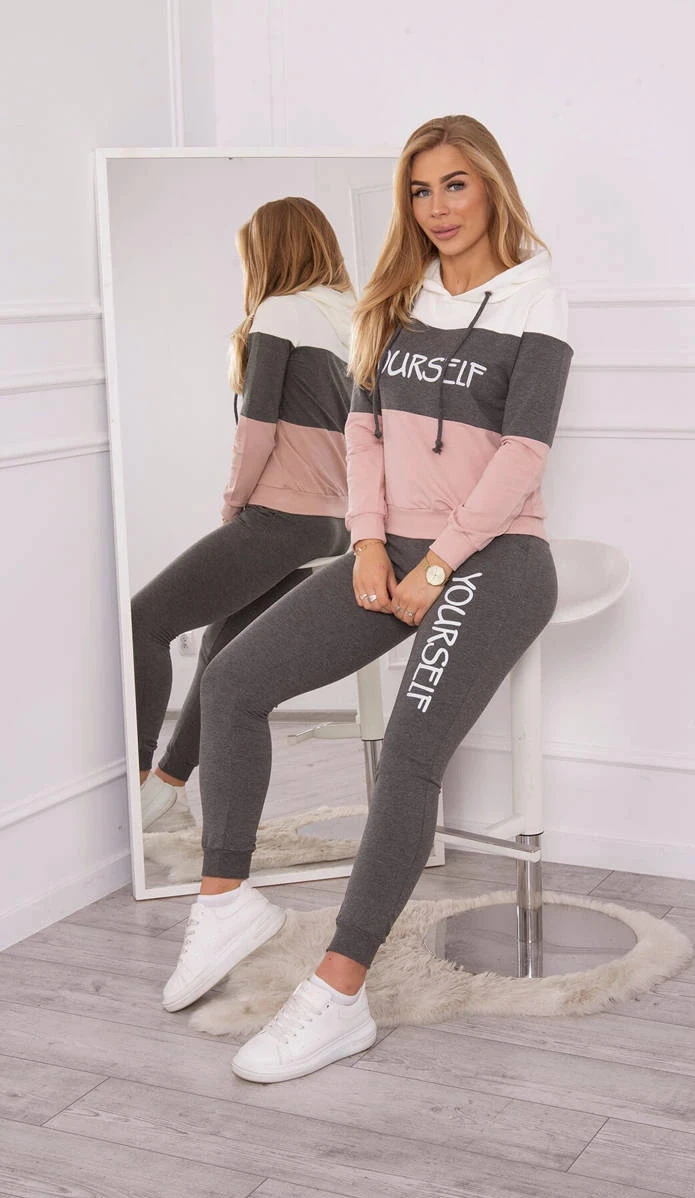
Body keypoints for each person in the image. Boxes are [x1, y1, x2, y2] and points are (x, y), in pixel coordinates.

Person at [162, 115, 574, 1083]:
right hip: (389, 549)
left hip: (497, 557)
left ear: (491, 186)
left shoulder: (536, 296)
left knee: (408, 758)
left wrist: (439, 566)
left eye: (455, 185)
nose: (437, 208)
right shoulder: (394, 296)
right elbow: (361, 431)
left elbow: (522, 453)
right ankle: (225, 901)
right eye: (420, 191)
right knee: (231, 682)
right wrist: (371, 542)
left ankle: (338, 995)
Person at [132, 198, 354, 829]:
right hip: (331, 526)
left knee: (144, 621)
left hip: (281, 517)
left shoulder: (280, 312)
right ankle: (168, 787)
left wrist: (234, 505)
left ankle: (134, 780)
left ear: (271, 253)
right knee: (220, 647)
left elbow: (257, 429)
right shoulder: (353, 317)